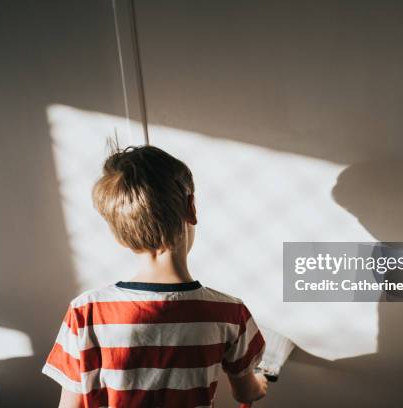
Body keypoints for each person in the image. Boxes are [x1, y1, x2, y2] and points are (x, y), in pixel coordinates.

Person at [42, 145, 267, 407]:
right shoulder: (229, 312)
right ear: (191, 208)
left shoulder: (86, 312)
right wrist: (260, 382)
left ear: (118, 232)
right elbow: (246, 393)